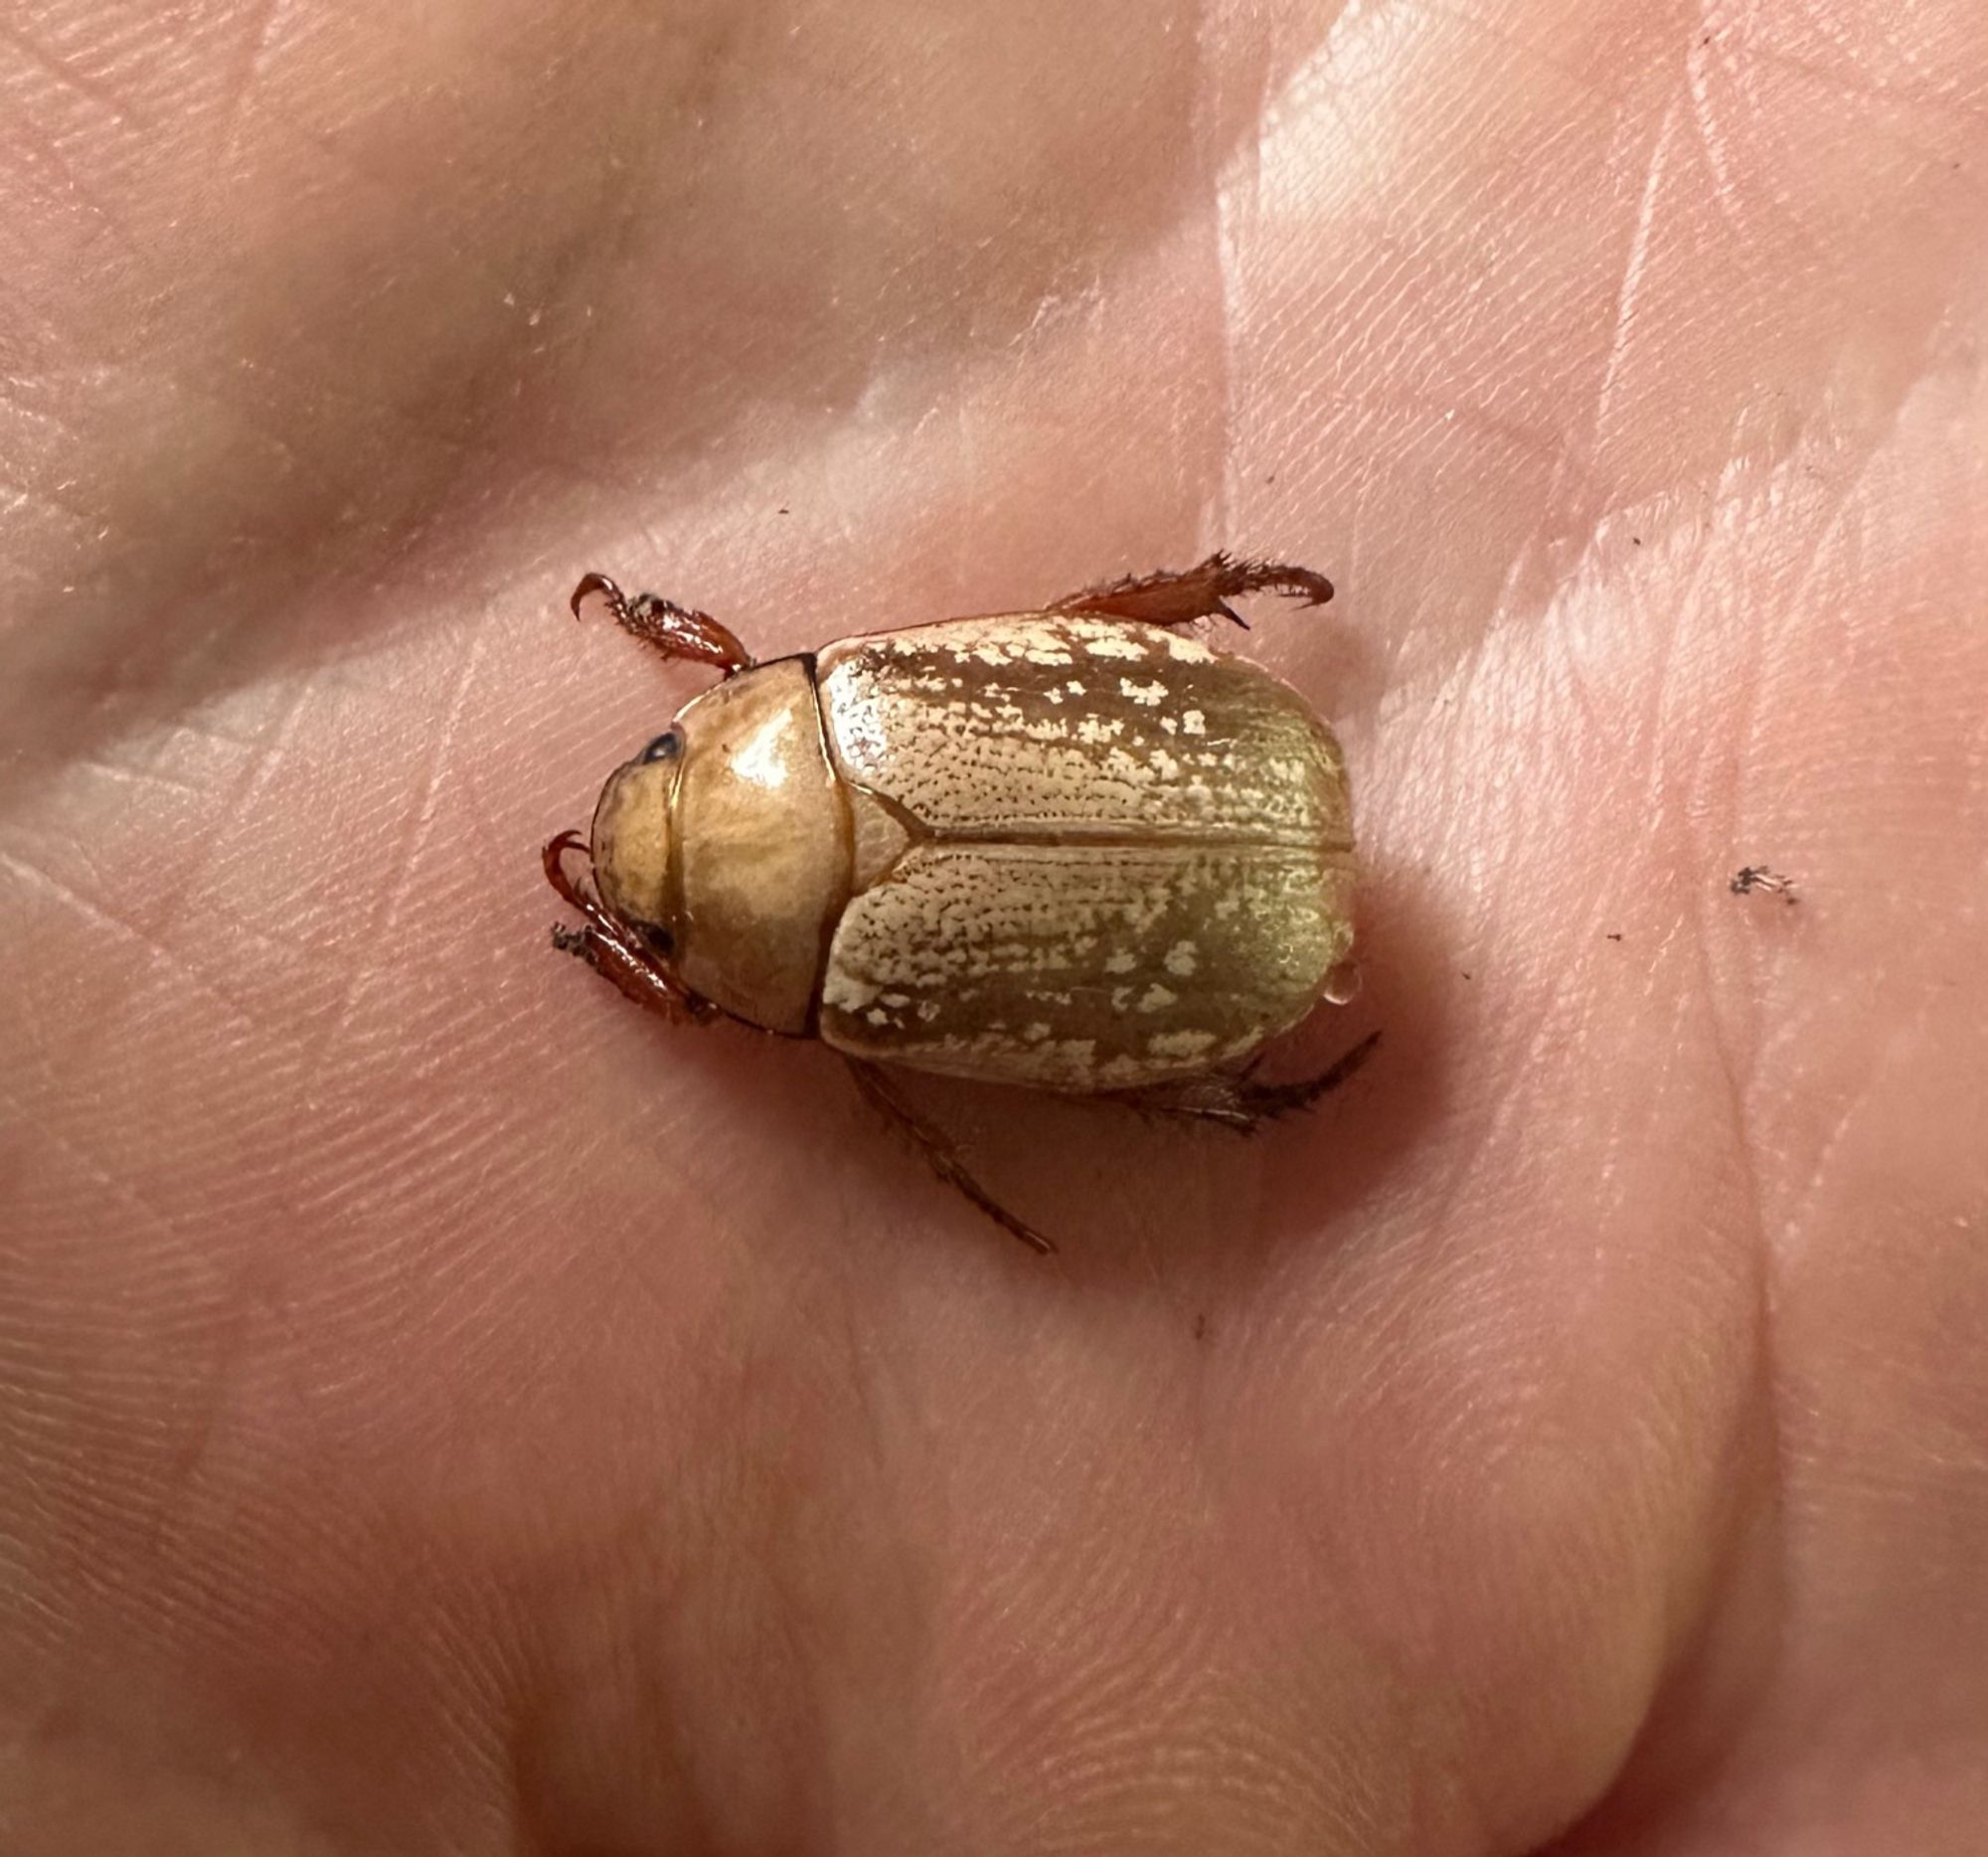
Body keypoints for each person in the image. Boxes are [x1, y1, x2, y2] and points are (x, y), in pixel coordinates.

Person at [2, 2, 1983, 1849]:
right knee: (1072, 705)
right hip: (1213, 797)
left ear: (737, 700)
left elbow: (877, 1046)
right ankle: (1233, 1059)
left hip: (1215, 882)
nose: (661, 801)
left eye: (686, 755)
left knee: (1008, 1078)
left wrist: (664, 974)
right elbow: (1050, 622)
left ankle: (1233, 1101)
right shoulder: (831, 700)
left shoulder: (839, 1005)